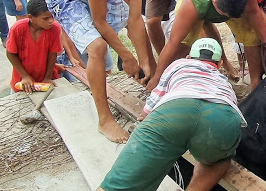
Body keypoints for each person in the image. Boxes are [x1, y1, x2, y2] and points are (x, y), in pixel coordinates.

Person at [99, 38, 246, 191]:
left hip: (177, 108)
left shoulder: (179, 64)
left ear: (188, 57)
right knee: (218, 162)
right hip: (222, 115)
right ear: (220, 64)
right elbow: (231, 106)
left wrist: (145, 115)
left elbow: (156, 96)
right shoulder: (223, 81)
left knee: (117, 186)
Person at [45, 0, 158, 143]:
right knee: (97, 47)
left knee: (136, 18)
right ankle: (104, 120)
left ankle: (152, 77)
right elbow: (100, 22)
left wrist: (144, 59)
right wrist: (126, 56)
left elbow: (134, 20)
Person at [6, 0, 64, 94]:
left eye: (52, 17)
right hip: (22, 80)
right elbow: (10, 54)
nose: (51, 21)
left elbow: (52, 54)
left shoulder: (55, 28)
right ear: (31, 18)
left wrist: (48, 78)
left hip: (45, 78)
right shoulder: (18, 28)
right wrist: (24, 76)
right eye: (45, 18)